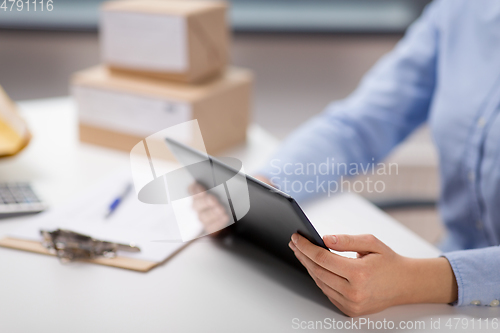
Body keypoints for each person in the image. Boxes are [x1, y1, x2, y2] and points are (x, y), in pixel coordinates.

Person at [191, 0, 500, 316]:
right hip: (447, 282)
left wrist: (418, 281)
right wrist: (262, 188)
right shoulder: (462, 10)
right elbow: (359, 124)